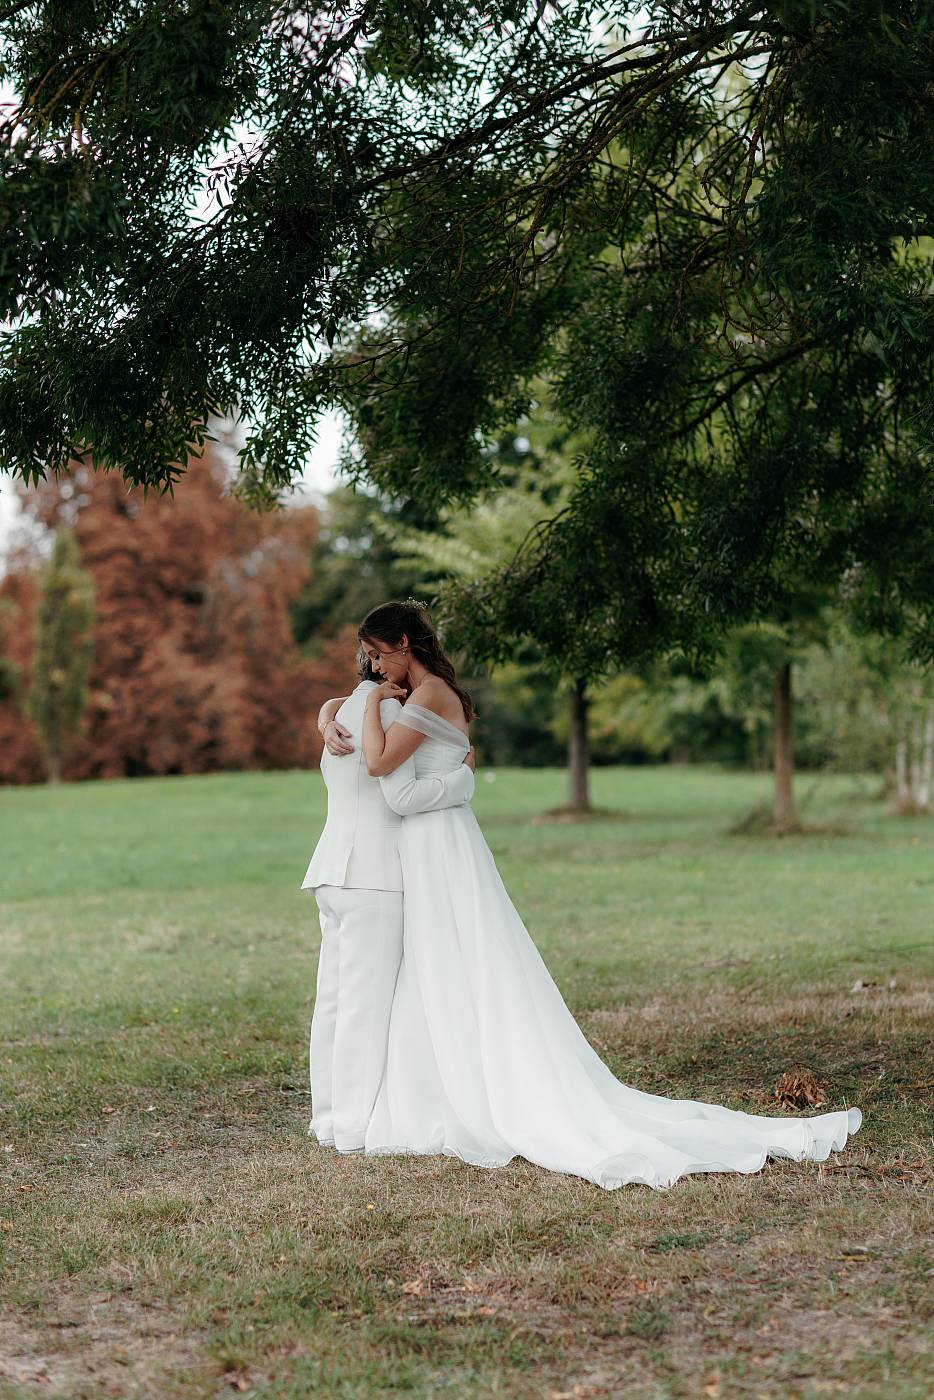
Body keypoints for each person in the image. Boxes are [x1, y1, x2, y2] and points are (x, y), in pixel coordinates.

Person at [327, 597, 862, 1192]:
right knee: (440, 966)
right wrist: (352, 719)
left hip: (436, 845)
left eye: (377, 657)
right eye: (369, 661)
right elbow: (403, 750)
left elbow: (384, 774)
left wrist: (379, 709)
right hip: (436, 845)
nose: (372, 669)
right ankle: (443, 1083)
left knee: (459, 961)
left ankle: (476, 1092)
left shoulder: (424, 698)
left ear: (404, 645)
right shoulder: (428, 696)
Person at [300, 652, 475, 1154]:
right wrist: (462, 778)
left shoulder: (344, 711)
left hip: (333, 871)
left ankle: (328, 1117)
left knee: (333, 1002)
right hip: (374, 876)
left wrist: (327, 712)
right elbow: (401, 797)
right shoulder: (387, 714)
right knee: (364, 1006)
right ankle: (354, 1127)